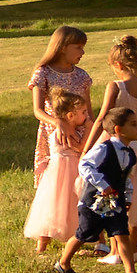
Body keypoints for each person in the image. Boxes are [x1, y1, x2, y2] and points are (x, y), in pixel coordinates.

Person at [83, 34, 137, 265]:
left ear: (117, 65)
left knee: (113, 194)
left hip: (115, 144)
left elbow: (101, 119)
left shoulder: (115, 86)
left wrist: (87, 150)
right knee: (136, 197)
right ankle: (133, 249)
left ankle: (116, 252)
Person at [58, 106, 137, 273]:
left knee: (122, 234)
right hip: (93, 202)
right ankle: (63, 263)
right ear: (118, 129)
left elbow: (125, 178)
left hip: (116, 202)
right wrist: (102, 184)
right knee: (83, 234)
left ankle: (130, 272)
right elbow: (85, 165)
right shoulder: (104, 149)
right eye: (133, 124)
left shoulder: (130, 154)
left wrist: (128, 198)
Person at [24, 87, 89, 256]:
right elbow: (81, 147)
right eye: (83, 112)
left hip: (59, 171)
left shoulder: (64, 129)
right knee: (60, 204)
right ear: (70, 116)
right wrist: (90, 126)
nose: (86, 115)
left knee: (59, 205)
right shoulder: (66, 132)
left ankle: (46, 244)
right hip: (65, 170)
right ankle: (45, 243)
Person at [28, 24, 92, 176]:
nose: (82, 52)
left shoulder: (82, 76)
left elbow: (88, 110)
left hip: (80, 136)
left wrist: (92, 133)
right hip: (55, 135)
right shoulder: (43, 73)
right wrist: (58, 123)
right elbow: (38, 110)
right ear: (63, 47)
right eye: (78, 47)